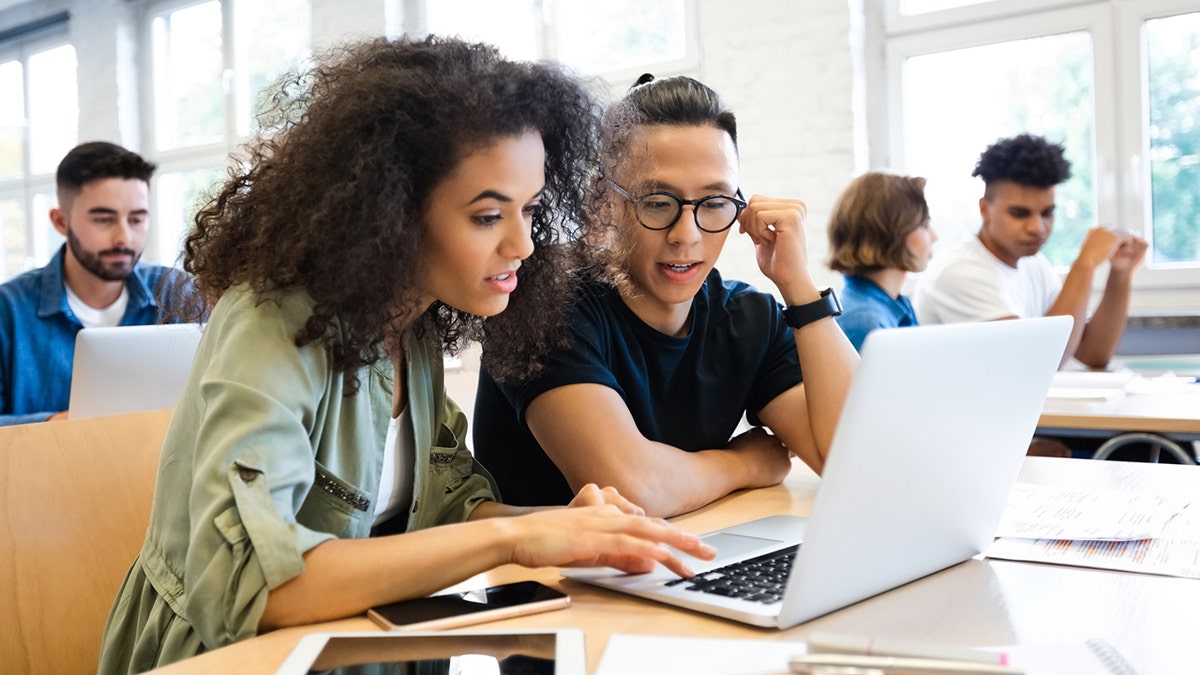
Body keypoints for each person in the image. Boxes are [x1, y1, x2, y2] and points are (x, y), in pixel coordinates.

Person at [98, 37, 714, 674]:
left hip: (370, 650)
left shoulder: (412, 321)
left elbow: (448, 502)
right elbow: (255, 585)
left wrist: (563, 525)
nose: (524, 245)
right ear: (390, 211)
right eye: (486, 216)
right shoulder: (272, 322)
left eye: (529, 210)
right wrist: (519, 538)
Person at [472, 74, 860, 518]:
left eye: (714, 202)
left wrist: (799, 288)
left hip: (688, 562)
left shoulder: (748, 318)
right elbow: (633, 490)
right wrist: (744, 463)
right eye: (657, 202)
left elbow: (856, 461)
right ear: (603, 203)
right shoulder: (541, 304)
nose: (686, 235)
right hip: (548, 582)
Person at [0, 141, 197, 426]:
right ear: (60, 222)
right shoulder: (8, 310)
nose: (124, 237)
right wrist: (54, 424)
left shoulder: (176, 292)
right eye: (104, 219)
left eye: (137, 219)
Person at [913, 133, 1147, 369]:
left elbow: (1091, 353)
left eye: (1047, 213)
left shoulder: (1034, 264)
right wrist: (1085, 262)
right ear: (985, 209)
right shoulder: (960, 272)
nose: (1038, 228)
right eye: (1019, 213)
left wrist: (1121, 274)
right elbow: (1037, 363)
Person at [826, 171, 936, 351]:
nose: (934, 236)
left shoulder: (895, 305)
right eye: (924, 225)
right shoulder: (865, 320)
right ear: (893, 232)